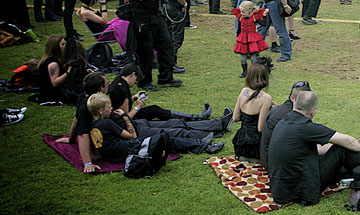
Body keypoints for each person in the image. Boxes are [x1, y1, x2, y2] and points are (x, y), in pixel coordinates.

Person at [268, 91, 360, 206]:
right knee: (342, 150)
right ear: (313, 112)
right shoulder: (306, 127)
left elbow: (314, 150)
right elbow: (349, 141)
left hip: (282, 190)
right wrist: (359, 148)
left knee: (341, 157)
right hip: (303, 191)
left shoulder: (284, 121)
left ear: (294, 103)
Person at [85, 94, 224, 166]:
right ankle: (204, 145)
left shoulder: (91, 126)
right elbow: (132, 136)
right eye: (108, 107)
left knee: (171, 132)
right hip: (132, 147)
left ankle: (206, 140)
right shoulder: (107, 123)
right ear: (101, 110)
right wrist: (125, 117)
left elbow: (100, 149)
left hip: (123, 152)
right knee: (168, 139)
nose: (111, 109)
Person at [128, 0, 181, 90]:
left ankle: (166, 77)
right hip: (142, 18)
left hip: (155, 16)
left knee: (167, 45)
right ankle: (145, 81)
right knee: (146, 51)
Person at [108, 64, 217, 123]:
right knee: (156, 112)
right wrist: (138, 107)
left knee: (156, 110)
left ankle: (196, 117)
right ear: (132, 74)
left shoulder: (118, 82)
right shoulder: (121, 90)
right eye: (136, 79)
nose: (135, 82)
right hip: (126, 122)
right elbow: (126, 116)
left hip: (119, 118)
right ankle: (197, 118)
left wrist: (134, 98)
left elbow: (121, 105)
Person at [260, 80, 312, 170]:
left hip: (267, 159)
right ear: (292, 98)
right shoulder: (292, 117)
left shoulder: (279, 109)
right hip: (276, 165)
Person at [232, 64, 273, 163]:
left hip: (241, 143)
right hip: (256, 146)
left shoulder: (243, 91)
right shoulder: (266, 98)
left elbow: (235, 118)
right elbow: (260, 128)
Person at [232, 1, 269, 77]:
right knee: (242, 57)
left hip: (252, 38)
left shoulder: (254, 17)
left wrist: (264, 16)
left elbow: (264, 23)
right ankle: (245, 71)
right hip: (243, 38)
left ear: (250, 11)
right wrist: (238, 36)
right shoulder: (241, 17)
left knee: (253, 57)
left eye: (243, 12)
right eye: (241, 11)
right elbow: (239, 28)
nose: (241, 13)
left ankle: (254, 72)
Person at [37, 35, 74, 105]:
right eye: (62, 44)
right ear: (55, 47)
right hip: (52, 94)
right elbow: (55, 83)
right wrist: (68, 72)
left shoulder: (58, 59)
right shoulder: (53, 63)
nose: (65, 46)